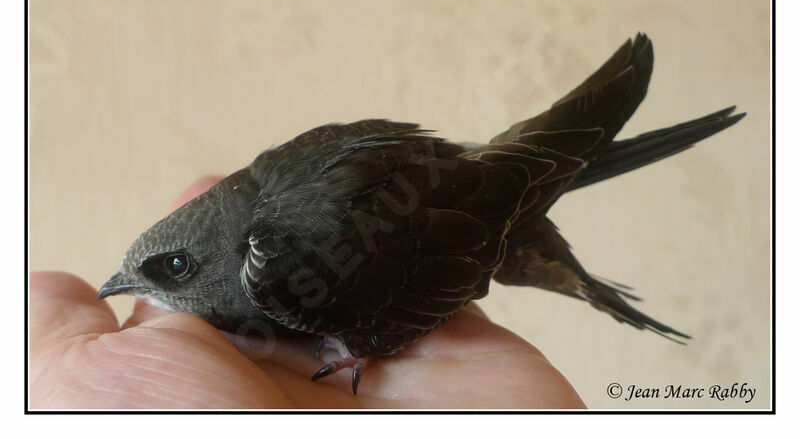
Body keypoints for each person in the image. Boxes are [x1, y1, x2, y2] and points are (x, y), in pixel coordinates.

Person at [28, 177, 585, 409]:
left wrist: (367, 338)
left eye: (174, 267)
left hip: (479, 210)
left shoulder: (277, 269)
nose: (134, 289)